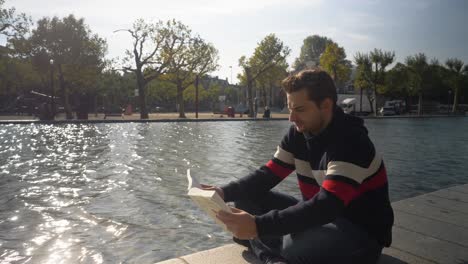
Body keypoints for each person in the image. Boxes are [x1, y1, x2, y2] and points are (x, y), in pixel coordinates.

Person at [202, 69, 394, 264]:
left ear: (326, 105)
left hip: (359, 232)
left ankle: (265, 248)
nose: (291, 118)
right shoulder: (298, 133)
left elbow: (327, 205)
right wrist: (222, 192)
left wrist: (257, 226)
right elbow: (267, 175)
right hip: (319, 218)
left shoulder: (351, 141)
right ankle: (272, 252)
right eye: (290, 108)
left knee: (292, 247)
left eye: (300, 109)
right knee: (245, 198)